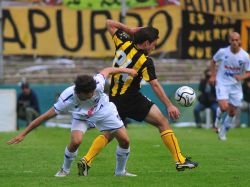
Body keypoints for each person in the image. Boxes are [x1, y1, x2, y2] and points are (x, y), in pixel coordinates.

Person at [77, 19, 198, 176]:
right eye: (154, 44)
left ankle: (86, 160)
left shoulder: (123, 41)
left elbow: (108, 23)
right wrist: (169, 105)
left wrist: (129, 30)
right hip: (131, 98)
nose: (154, 47)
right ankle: (180, 160)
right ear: (147, 43)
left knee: (110, 133)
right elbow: (154, 85)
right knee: (162, 122)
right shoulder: (145, 61)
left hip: (113, 98)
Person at [7, 67, 138, 177]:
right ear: (79, 93)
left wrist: (128, 70)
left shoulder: (97, 83)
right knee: (76, 142)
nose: (93, 94)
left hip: (103, 110)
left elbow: (108, 69)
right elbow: (44, 117)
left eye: (93, 91)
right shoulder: (66, 98)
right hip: (81, 116)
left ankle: (120, 172)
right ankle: (65, 169)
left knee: (125, 141)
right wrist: (23, 134)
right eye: (89, 93)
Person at [209, 32, 250, 141]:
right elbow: (213, 61)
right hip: (222, 82)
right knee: (224, 107)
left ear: (240, 41)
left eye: (237, 40)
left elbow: (248, 72)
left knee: (232, 112)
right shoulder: (223, 52)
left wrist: (241, 77)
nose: (235, 42)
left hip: (236, 87)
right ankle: (216, 124)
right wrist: (213, 76)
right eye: (233, 40)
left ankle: (222, 133)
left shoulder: (245, 56)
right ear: (229, 41)